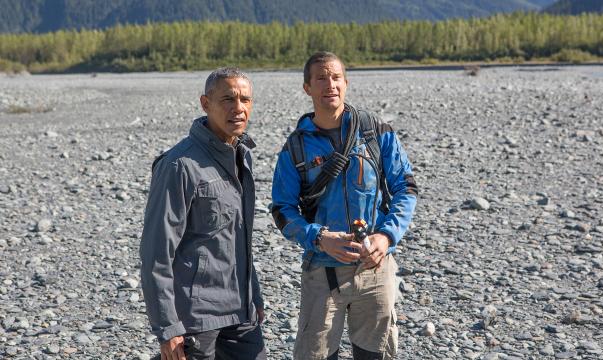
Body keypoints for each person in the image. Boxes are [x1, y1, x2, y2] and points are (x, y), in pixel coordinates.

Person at [271, 52, 418, 360]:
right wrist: (318, 236)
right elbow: (282, 210)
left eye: (336, 77)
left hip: (376, 267)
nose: (330, 85)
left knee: (376, 354)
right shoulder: (295, 148)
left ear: (346, 83)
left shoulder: (376, 132)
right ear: (307, 88)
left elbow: (406, 188)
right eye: (321, 78)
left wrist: (387, 236)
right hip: (322, 270)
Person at [140, 67, 266, 360]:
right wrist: (167, 327)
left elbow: (240, 239)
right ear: (205, 103)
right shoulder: (179, 165)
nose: (239, 108)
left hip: (241, 312)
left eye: (245, 100)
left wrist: (255, 295)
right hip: (196, 317)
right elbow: (156, 252)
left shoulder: (241, 156)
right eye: (228, 99)